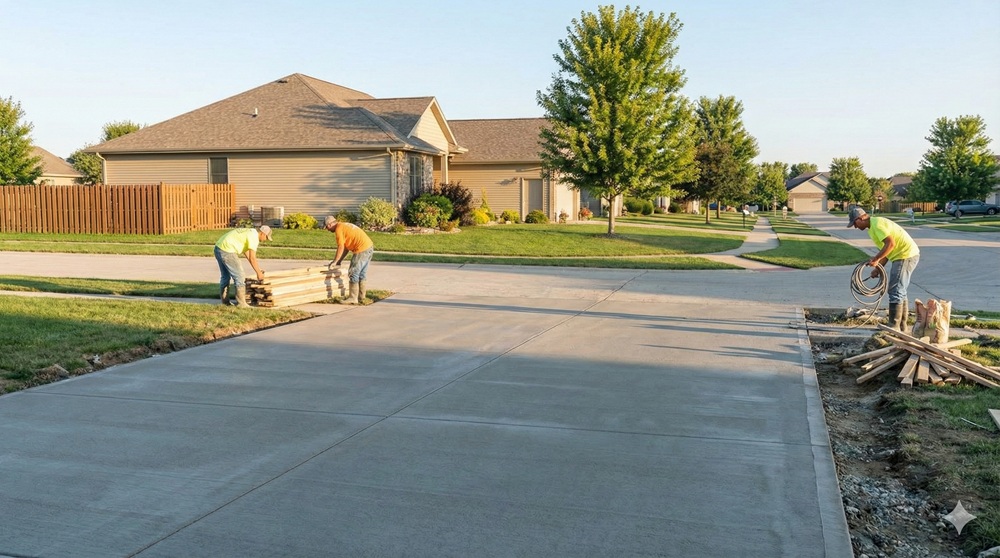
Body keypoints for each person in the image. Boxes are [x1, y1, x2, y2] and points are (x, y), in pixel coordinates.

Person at [847, 206, 920, 331]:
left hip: (905, 255)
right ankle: (901, 326)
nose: (855, 226)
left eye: (855, 223)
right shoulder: (873, 226)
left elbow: (891, 244)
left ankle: (894, 326)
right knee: (900, 290)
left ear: (860, 218)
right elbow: (887, 251)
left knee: (895, 290)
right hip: (903, 255)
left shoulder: (877, 225)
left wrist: (875, 260)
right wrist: (878, 267)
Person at [214, 225, 272, 307]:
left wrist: (258, 269)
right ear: (262, 233)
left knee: (225, 277)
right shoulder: (254, 238)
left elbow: (247, 253)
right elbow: (252, 258)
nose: (265, 240)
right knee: (239, 276)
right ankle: (241, 304)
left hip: (218, 248)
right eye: (266, 237)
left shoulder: (250, 232)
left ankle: (225, 302)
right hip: (227, 251)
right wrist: (259, 273)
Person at [322, 216, 374, 304]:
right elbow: (346, 248)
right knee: (362, 274)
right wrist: (339, 261)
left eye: (327, 227)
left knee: (353, 273)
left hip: (361, 249)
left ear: (330, 224)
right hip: (369, 247)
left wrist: (334, 261)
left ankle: (353, 298)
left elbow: (341, 247)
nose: (327, 229)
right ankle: (361, 297)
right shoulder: (343, 226)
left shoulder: (338, 229)